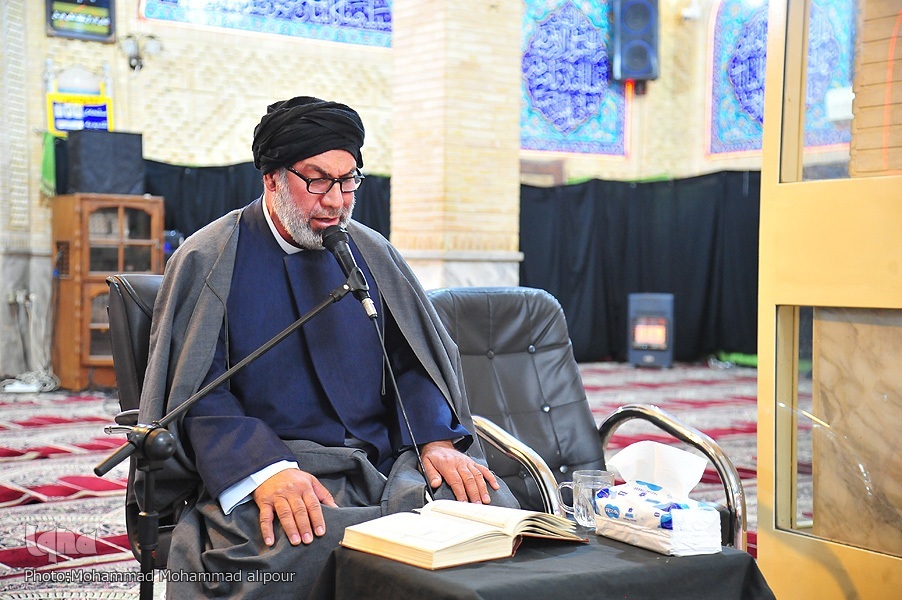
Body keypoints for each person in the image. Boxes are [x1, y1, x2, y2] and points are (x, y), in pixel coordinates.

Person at [137, 96, 518, 598]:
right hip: (279, 464)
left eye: (348, 180)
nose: (336, 200)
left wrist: (435, 441)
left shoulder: (372, 252)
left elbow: (412, 363)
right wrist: (266, 471)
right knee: (288, 545)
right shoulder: (209, 258)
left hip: (388, 463)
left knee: (486, 513)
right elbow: (198, 393)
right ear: (272, 179)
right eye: (317, 181)